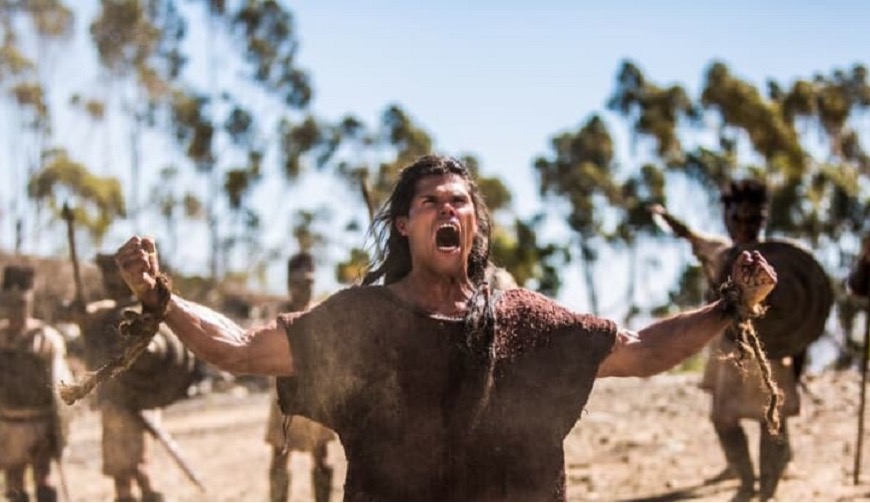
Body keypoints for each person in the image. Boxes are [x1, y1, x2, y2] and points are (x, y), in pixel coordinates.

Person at [114, 154, 777, 501]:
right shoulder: (359, 321)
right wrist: (159, 295)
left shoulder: (526, 320)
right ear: (405, 225)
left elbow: (641, 350)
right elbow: (239, 349)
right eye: (430, 201)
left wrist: (729, 307)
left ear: (475, 225)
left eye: (459, 201)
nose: (447, 209)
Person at [650, 180, 803, 501]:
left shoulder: (784, 259)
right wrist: (664, 216)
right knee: (724, 419)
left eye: (753, 219)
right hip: (730, 352)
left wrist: (798, 357)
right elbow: (689, 234)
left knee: (772, 421)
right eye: (739, 219)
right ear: (727, 218)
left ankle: (767, 491)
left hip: (774, 353)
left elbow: (804, 310)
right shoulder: (719, 251)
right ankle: (745, 481)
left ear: (763, 219)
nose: (745, 226)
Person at [76, 255, 166, 502]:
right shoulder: (102, 311)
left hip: (140, 399)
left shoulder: (144, 308)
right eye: (108, 278)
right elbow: (81, 317)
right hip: (113, 401)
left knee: (141, 466)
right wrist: (78, 311)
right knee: (120, 471)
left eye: (116, 278)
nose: (112, 283)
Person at [265, 252, 337, 501]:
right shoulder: (277, 317)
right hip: (283, 399)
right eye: (298, 283)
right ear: (289, 284)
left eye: (309, 283)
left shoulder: (321, 314)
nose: (304, 290)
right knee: (279, 458)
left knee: (321, 457)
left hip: (316, 399)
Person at [0, 265, 72, 502]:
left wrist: (58, 427)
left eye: (21, 303)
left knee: (43, 476)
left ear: (29, 304)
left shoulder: (46, 338)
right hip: (7, 423)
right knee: (14, 479)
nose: (15, 310)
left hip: (39, 422)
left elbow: (60, 382)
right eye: (10, 304)